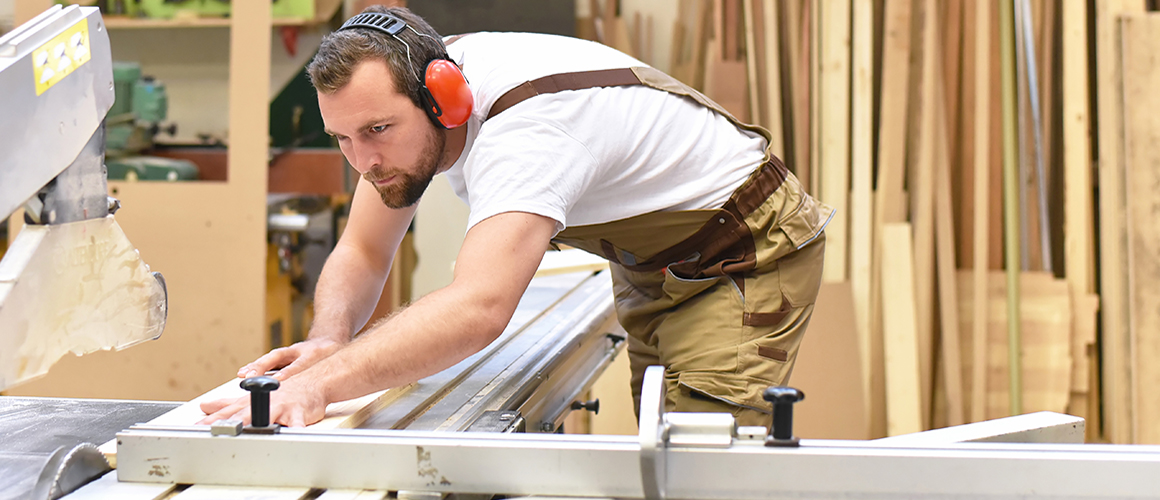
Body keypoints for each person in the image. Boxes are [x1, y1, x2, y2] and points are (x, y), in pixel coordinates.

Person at [200, 5, 833, 428]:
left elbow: (479, 308)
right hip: (652, 259)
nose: (362, 158)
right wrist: (328, 340)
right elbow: (364, 251)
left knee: (702, 460)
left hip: (740, 247)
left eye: (377, 130)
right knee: (660, 442)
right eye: (343, 137)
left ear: (444, 98)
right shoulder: (403, 98)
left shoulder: (530, 127)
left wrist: (319, 387)